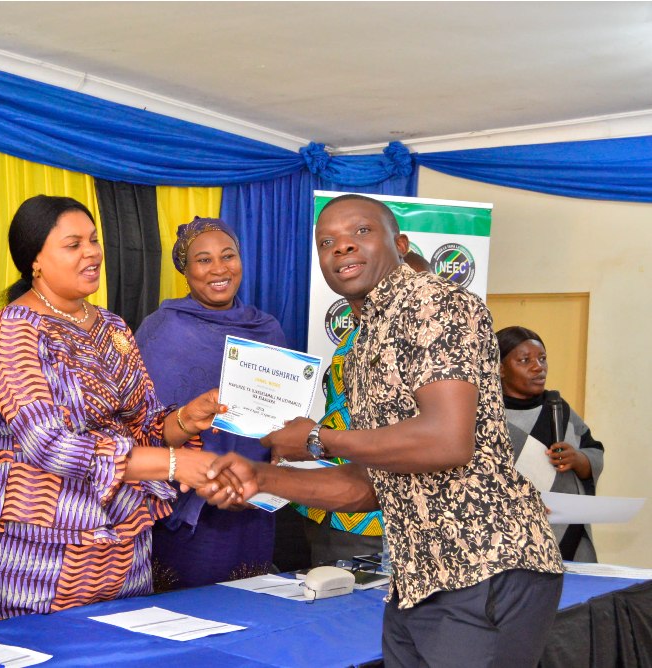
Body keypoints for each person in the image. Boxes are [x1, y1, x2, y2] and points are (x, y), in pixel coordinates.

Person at [198, 194, 564, 667]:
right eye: (327, 241)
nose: (342, 247)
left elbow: (446, 441)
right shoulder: (362, 344)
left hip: (486, 565)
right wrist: (261, 478)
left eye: (361, 232)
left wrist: (317, 439)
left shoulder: (437, 303)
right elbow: (366, 484)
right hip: (418, 580)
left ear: (401, 244)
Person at [0, 195, 228, 620]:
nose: (92, 252)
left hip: (123, 540)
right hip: (38, 549)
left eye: (93, 240)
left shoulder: (112, 326)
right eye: (73, 244)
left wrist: (186, 419)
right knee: (46, 650)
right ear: (35, 260)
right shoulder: (14, 330)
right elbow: (50, 445)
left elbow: (144, 427)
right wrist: (175, 465)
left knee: (128, 643)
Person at [134, 217, 287, 588]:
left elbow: (284, 416)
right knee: (185, 609)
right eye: (204, 260)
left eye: (228, 256)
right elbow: (139, 425)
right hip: (187, 505)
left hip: (253, 501)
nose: (219, 269)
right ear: (185, 271)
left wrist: (277, 466)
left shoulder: (267, 328)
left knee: (250, 604)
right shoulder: (162, 329)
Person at [278, 251, 432, 567]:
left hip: (379, 512)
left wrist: (314, 438)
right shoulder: (358, 336)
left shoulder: (426, 346)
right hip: (332, 499)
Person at [497, 325, 604, 562]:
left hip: (568, 537)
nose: (539, 367)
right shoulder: (484, 416)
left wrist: (578, 459)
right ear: (500, 368)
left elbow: (593, 452)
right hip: (508, 542)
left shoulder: (558, 408)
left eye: (542, 358)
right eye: (525, 360)